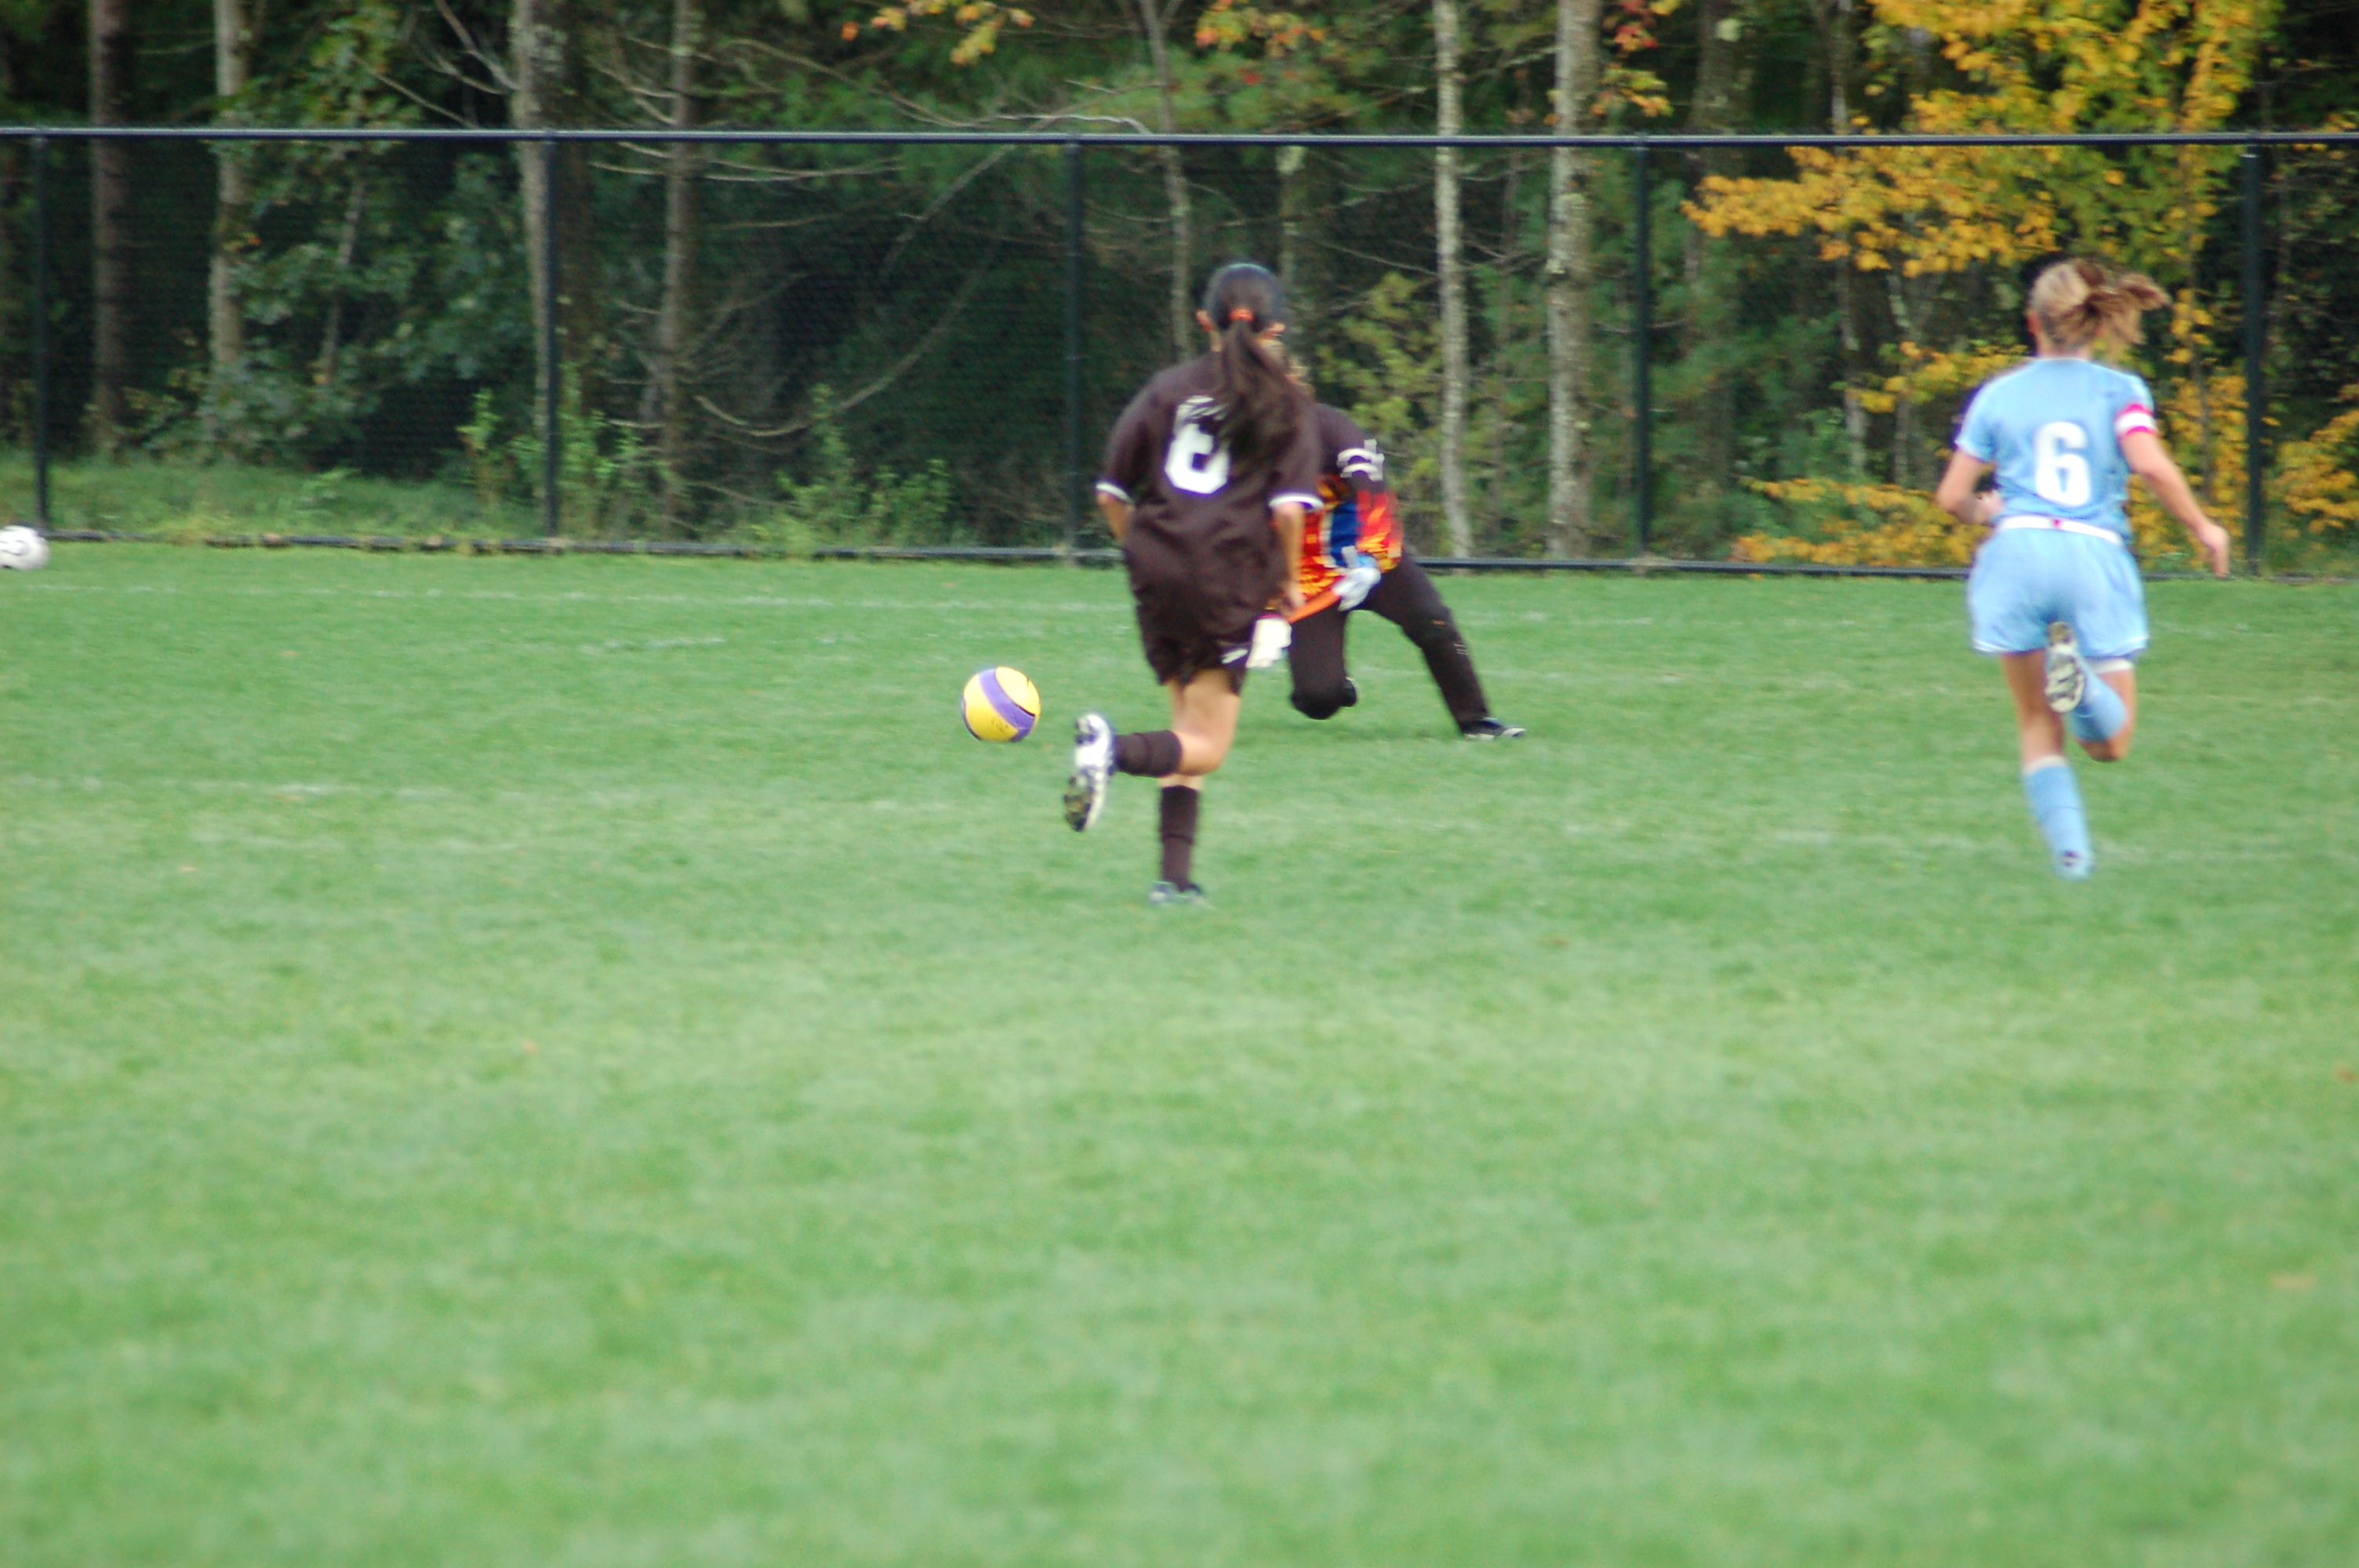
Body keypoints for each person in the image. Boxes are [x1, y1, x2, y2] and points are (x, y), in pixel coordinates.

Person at [1933, 256, 2232, 880]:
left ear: (2032, 323)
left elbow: (1951, 497)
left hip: (2015, 554)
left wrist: (1984, 511)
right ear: (2096, 324)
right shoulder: (2120, 391)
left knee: (2038, 726)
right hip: (2090, 555)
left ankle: (2072, 860)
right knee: (2110, 743)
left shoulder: (1999, 394)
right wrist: (2202, 527)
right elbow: (2149, 465)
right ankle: (2083, 684)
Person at [1065, 262, 1324, 905]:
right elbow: (1289, 511)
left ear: (1204, 320)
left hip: (1156, 571)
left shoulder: (1166, 389)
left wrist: (1146, 552)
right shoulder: (1286, 401)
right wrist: (1291, 582)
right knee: (1208, 746)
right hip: (1225, 579)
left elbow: (1110, 493)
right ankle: (1111, 751)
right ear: (1277, 328)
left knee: (1185, 728)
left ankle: (1173, 881)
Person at [1281, 400, 1523, 739]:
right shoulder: (1239, 441)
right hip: (1310, 574)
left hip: (1370, 555)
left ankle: (1476, 720)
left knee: (1431, 619)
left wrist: (1369, 556)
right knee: (1318, 700)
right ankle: (1332, 684)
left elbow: (1373, 489)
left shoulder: (1328, 426)